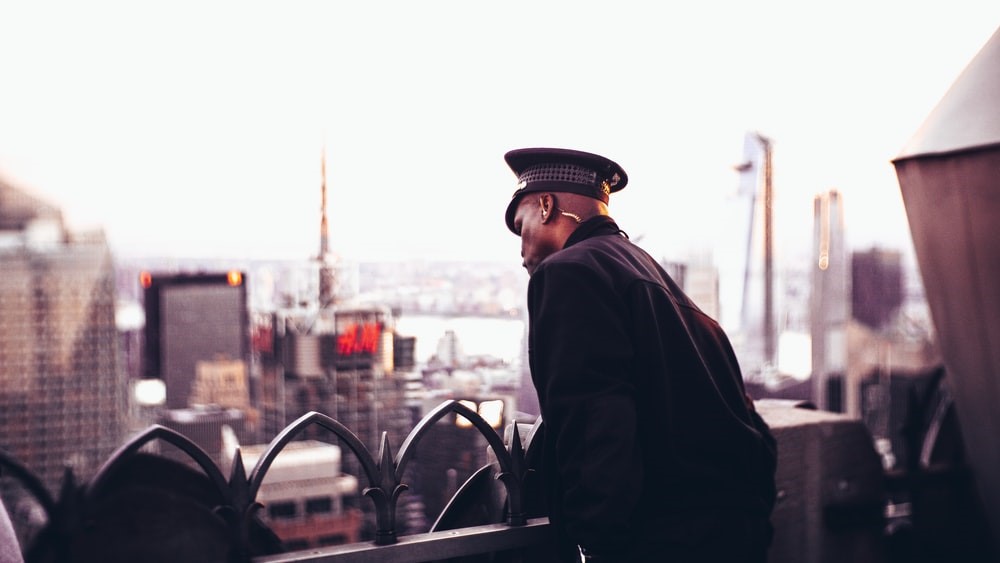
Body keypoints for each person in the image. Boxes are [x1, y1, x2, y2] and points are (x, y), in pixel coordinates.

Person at [503, 147, 777, 563]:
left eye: (519, 225)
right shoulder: (651, 275)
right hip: (732, 535)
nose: (520, 249)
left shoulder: (569, 272)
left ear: (545, 205)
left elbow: (595, 422)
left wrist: (595, 545)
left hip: (656, 543)